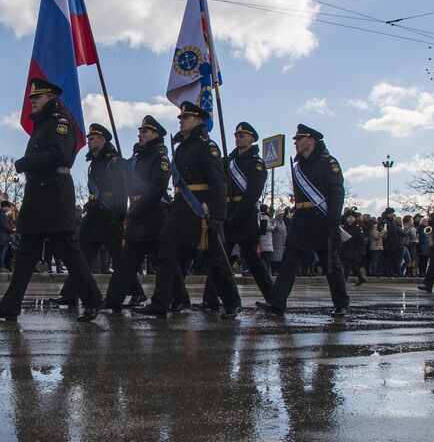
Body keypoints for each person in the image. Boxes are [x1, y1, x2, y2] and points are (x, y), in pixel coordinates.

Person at [0, 77, 101, 321]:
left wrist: (25, 163)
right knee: (26, 254)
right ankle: (10, 304)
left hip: (54, 194)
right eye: (31, 97)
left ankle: (93, 299)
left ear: (51, 97)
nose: (32, 101)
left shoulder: (60, 123)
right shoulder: (43, 124)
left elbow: (60, 155)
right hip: (38, 194)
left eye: (37, 97)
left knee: (68, 251)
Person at [130, 101, 239, 319]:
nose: (181, 121)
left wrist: (218, 216)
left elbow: (219, 183)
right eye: (180, 118)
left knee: (216, 261)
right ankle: (160, 303)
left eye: (185, 118)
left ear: (199, 121)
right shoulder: (180, 148)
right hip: (179, 211)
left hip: (201, 213)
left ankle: (232, 302)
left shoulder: (207, 147)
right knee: (166, 256)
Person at [257, 123, 348, 317]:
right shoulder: (298, 167)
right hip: (301, 220)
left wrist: (333, 222)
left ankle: (341, 303)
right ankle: (277, 303)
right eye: (296, 140)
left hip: (322, 220)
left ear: (311, 140)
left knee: (330, 264)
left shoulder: (328, 163)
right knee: (289, 263)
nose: (296, 143)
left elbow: (336, 193)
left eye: (299, 139)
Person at [201, 121, 274, 309]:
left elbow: (252, 194)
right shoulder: (228, 162)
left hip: (245, 216)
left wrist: (237, 216)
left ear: (251, 139)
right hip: (227, 214)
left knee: (253, 261)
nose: (237, 138)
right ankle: (210, 299)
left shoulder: (256, 163)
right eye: (236, 135)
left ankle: (274, 299)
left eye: (242, 135)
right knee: (218, 258)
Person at [55, 123, 127, 311]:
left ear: (102, 140)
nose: (89, 142)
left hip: (110, 214)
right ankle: (69, 294)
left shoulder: (114, 161)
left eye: (92, 138)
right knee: (81, 256)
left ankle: (131, 293)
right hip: (95, 214)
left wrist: (119, 216)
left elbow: (121, 191)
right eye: (88, 139)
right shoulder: (95, 161)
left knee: (120, 260)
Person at [103, 115, 171, 311]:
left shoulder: (160, 157)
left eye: (145, 131)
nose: (140, 135)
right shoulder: (137, 158)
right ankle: (113, 300)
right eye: (140, 131)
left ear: (155, 134)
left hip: (154, 214)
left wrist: (137, 210)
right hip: (137, 214)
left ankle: (178, 298)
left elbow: (158, 188)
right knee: (127, 261)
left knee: (162, 261)